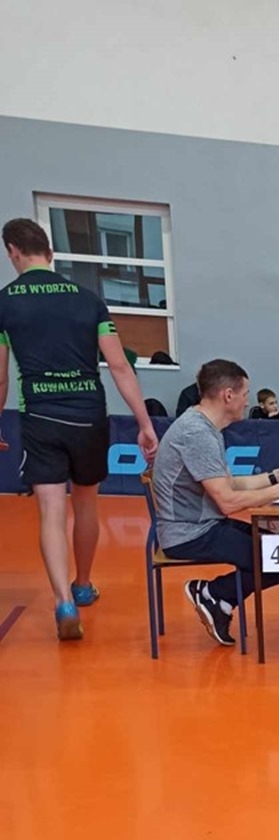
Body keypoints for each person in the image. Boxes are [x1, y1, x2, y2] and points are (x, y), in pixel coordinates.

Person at [0, 217, 159, 640]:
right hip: (89, 414)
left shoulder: (5, 302)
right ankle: (83, 585)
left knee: (51, 511)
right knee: (86, 505)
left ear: (12, 251)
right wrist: (144, 424)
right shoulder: (89, 300)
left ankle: (63, 603)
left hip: (40, 416)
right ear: (50, 253)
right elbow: (120, 366)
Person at [151, 359, 279, 646]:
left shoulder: (204, 427)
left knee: (276, 551)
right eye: (245, 394)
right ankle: (212, 593)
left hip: (203, 525)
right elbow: (227, 501)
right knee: (277, 563)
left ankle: (219, 601)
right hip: (188, 534)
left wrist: (275, 477)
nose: (247, 401)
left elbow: (230, 484)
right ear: (228, 395)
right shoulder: (197, 434)